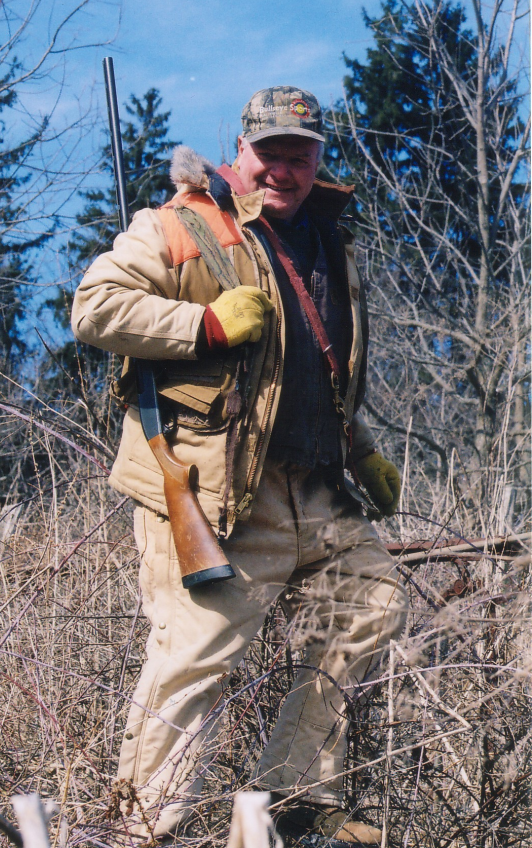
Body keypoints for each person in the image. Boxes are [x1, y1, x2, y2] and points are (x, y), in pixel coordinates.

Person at [71, 86, 408, 845]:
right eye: (271, 153)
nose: (284, 170)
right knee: (192, 661)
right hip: (219, 491)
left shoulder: (329, 241)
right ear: (241, 150)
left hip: (316, 487)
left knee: (370, 602)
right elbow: (94, 308)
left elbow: (318, 377)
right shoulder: (181, 225)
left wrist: (362, 449)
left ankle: (288, 803)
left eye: (301, 154)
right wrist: (203, 323)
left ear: (319, 158)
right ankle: (138, 831)